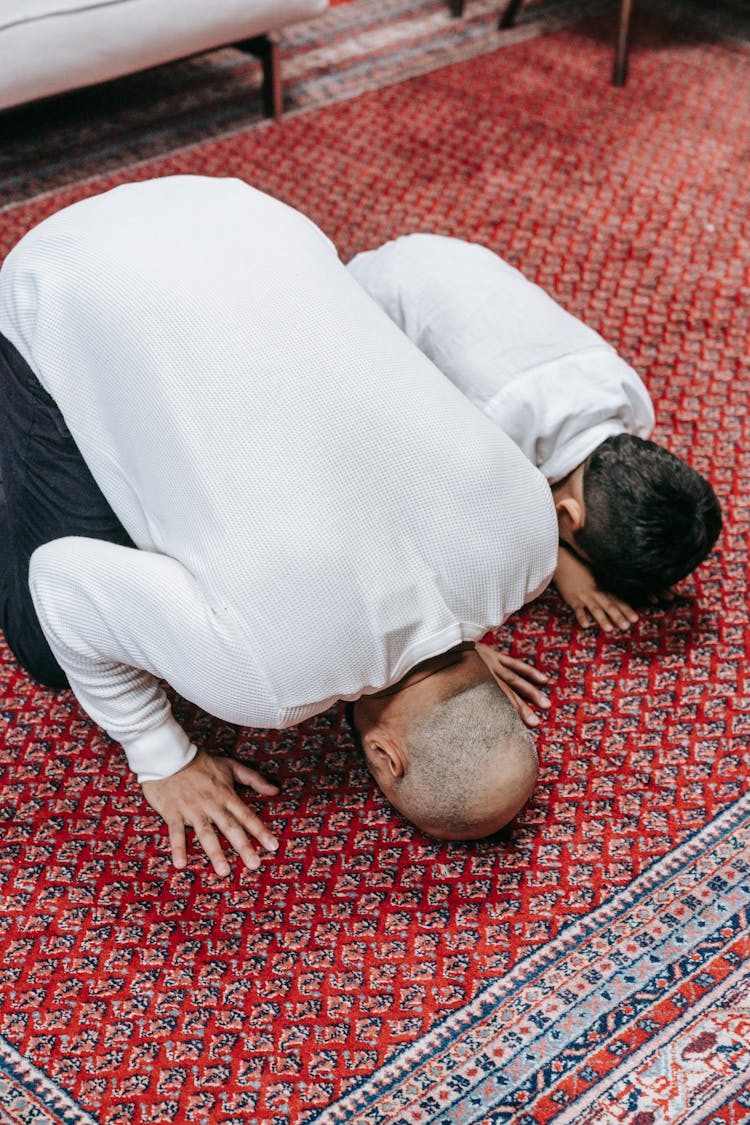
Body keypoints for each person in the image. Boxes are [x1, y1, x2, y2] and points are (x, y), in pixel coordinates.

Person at [0, 176, 559, 876]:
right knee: (43, 642)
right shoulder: (267, 686)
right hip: (68, 274)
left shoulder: (533, 543)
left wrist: (460, 636)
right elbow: (60, 588)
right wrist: (159, 754)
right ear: (387, 757)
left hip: (244, 211)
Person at [347, 234, 722, 641]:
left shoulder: (625, 393)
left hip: (447, 254)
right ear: (567, 515)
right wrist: (558, 562)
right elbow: (453, 526)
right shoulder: (488, 449)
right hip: (357, 300)